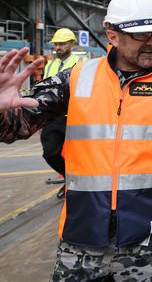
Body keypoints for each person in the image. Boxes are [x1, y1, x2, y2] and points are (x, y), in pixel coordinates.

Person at [0, 0, 152, 281]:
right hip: (81, 241)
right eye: (141, 35)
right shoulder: (77, 78)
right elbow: (16, 127)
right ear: (112, 34)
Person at [41, 28, 82, 199]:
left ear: (71, 44)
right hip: (54, 116)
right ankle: (70, 178)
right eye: (56, 44)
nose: (58, 47)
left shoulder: (80, 63)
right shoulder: (50, 64)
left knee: (81, 154)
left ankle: (79, 185)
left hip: (75, 114)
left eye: (62, 44)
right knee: (50, 152)